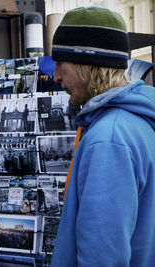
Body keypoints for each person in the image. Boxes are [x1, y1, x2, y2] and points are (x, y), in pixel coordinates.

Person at [50, 7, 155, 267]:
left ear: (86, 65)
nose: (56, 77)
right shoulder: (139, 122)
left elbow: (102, 255)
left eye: (60, 64)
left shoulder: (108, 139)